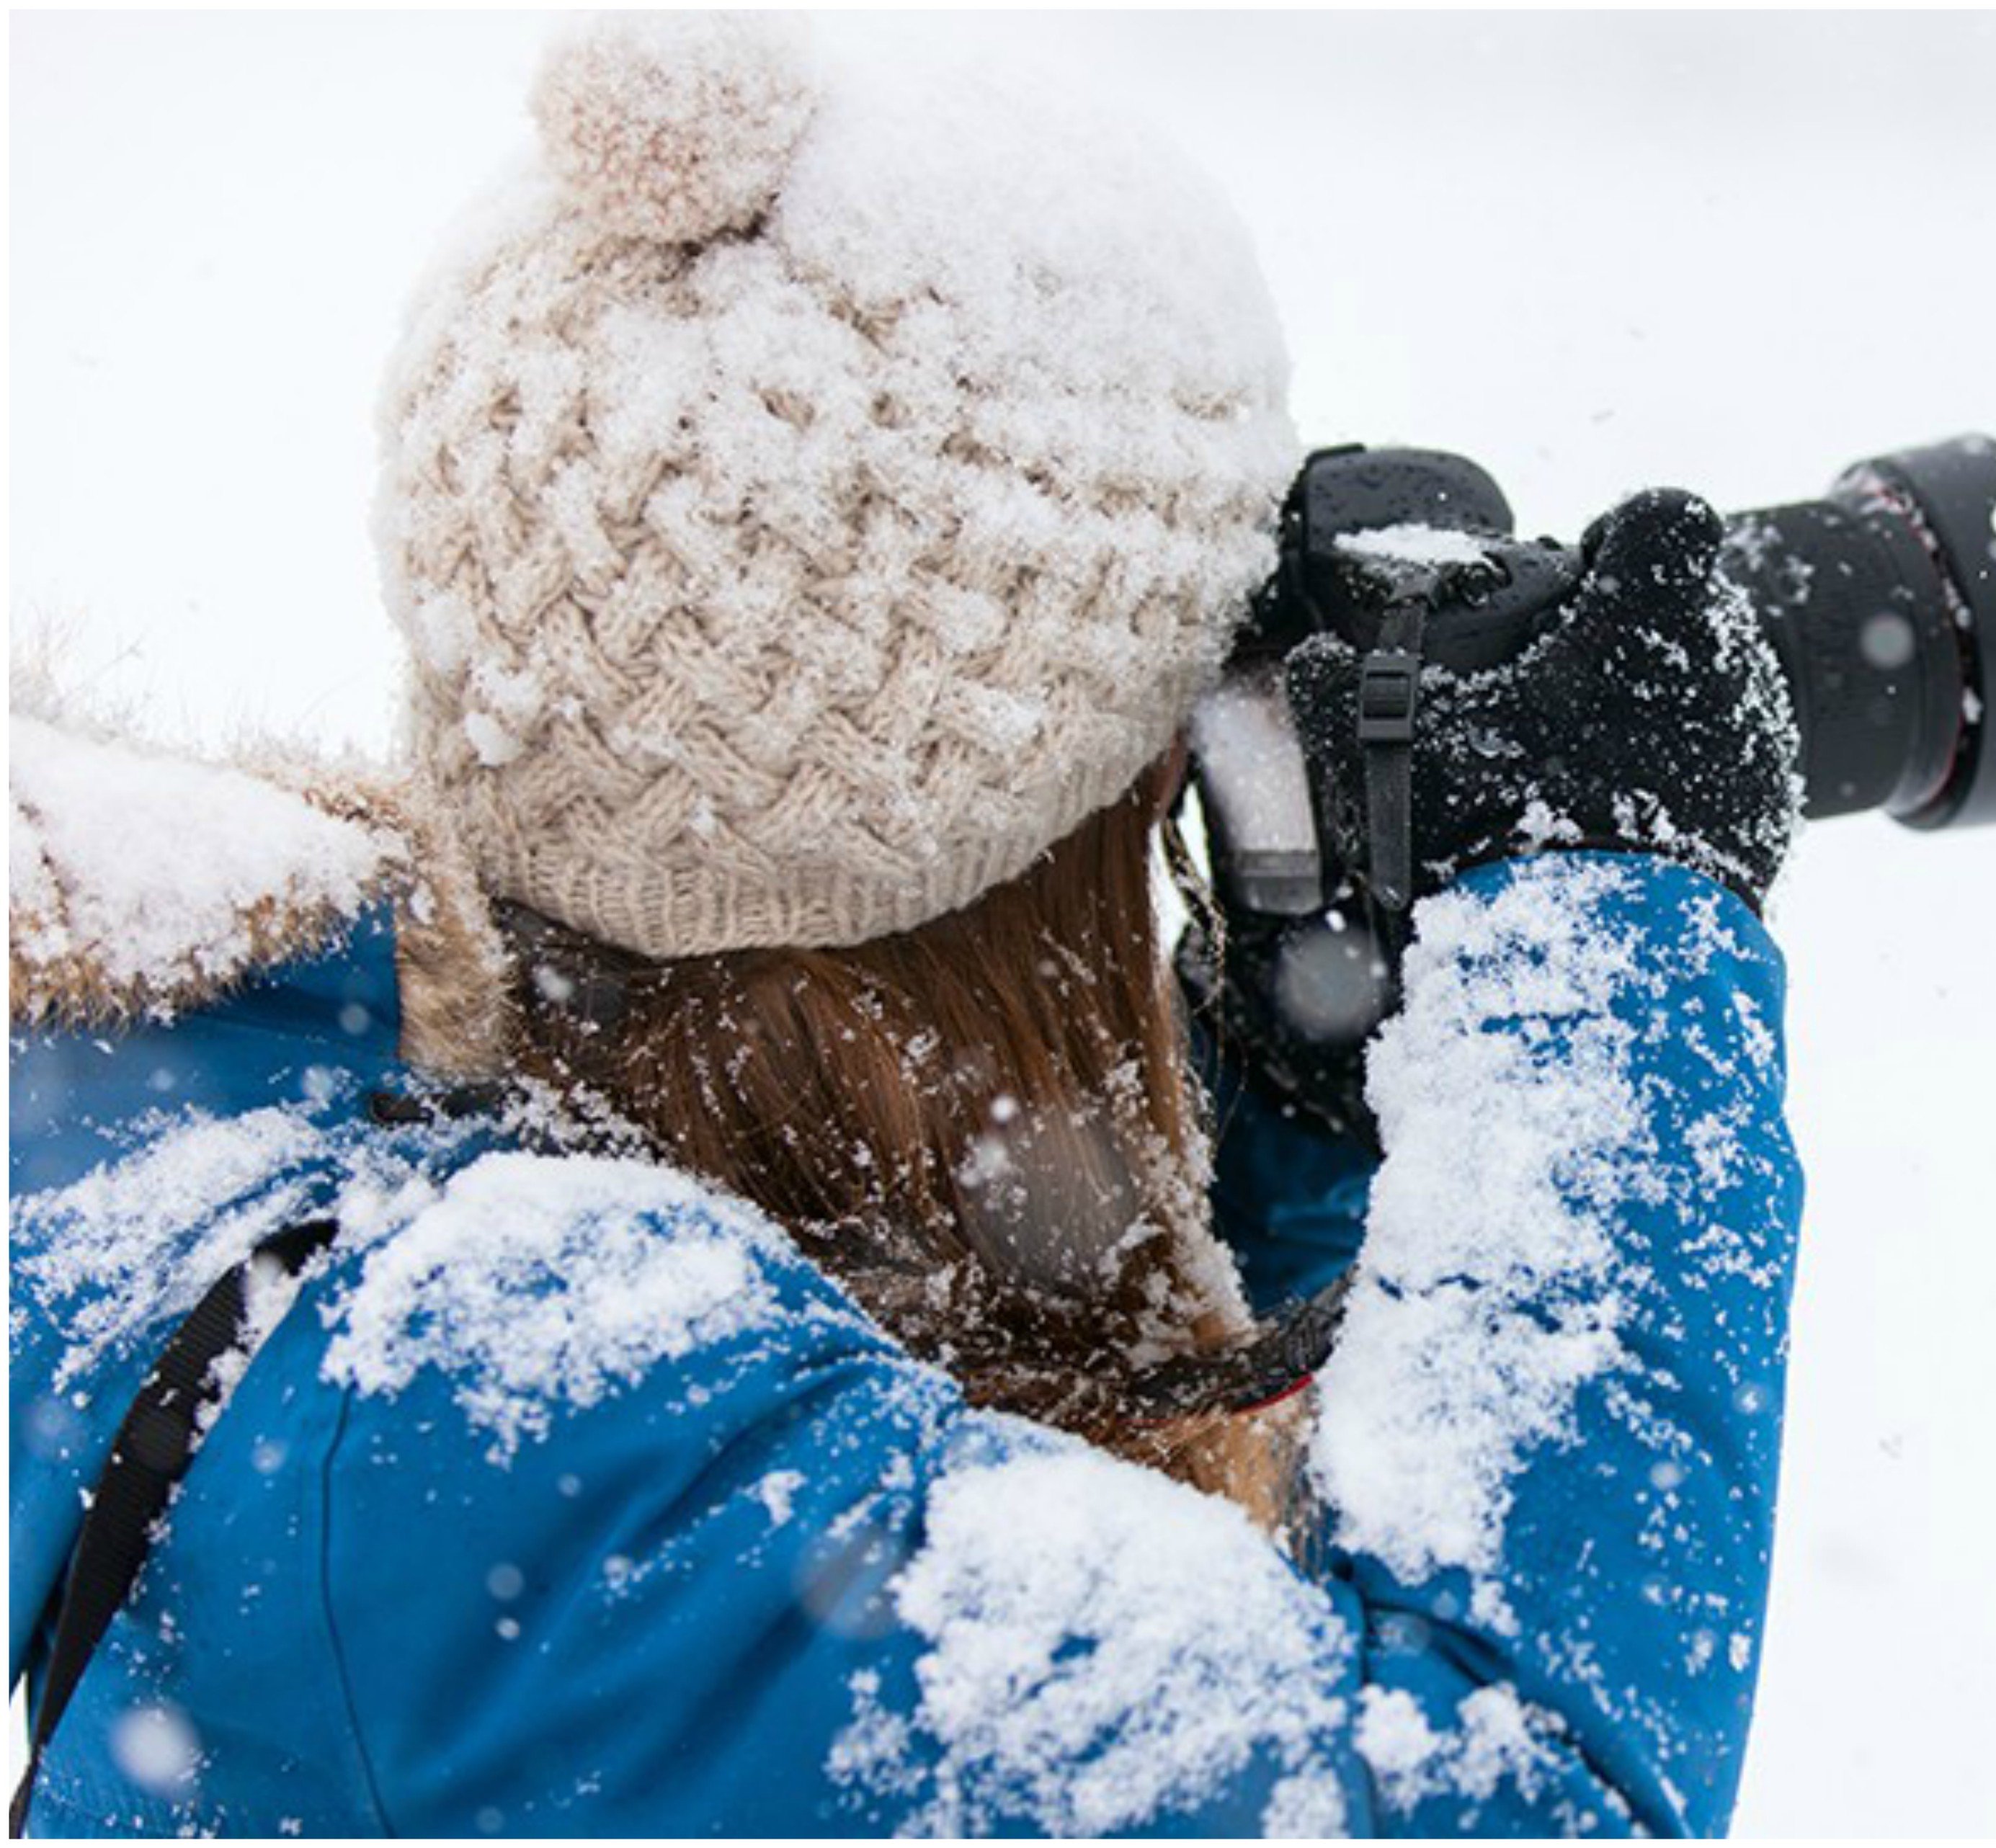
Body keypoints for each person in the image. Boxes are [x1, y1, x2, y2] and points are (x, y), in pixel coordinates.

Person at [8, 15, 1804, 1836]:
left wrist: (1296, 1086)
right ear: (1031, 859)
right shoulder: (508, 1419)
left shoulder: (286, 1193)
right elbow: (1500, 1791)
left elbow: (983, 1467)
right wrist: (1607, 928)